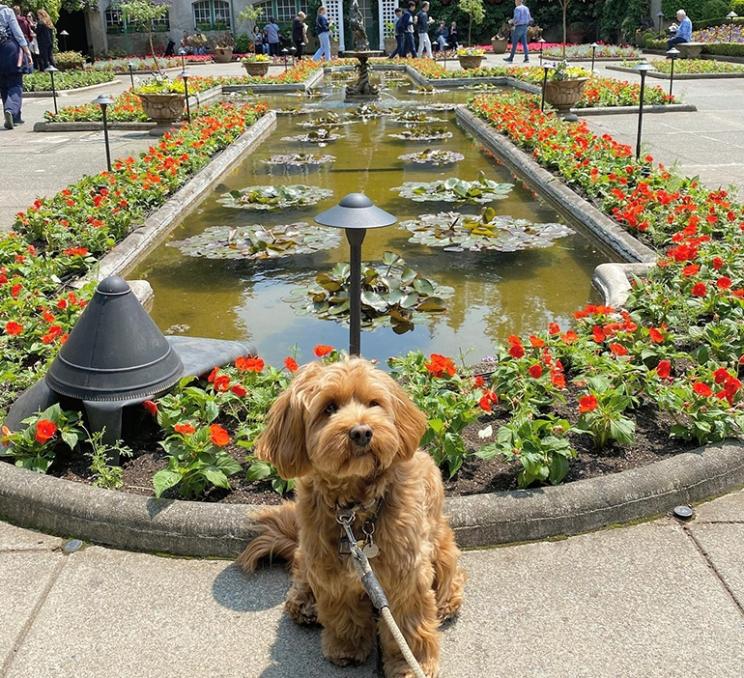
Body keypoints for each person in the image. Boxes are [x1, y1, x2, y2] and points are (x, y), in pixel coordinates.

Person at [0, 2, 32, 129]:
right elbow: (17, 31)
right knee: (15, 83)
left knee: (3, 85)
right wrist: (26, 50)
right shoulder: (7, 11)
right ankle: (11, 110)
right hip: (9, 48)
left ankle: (15, 117)